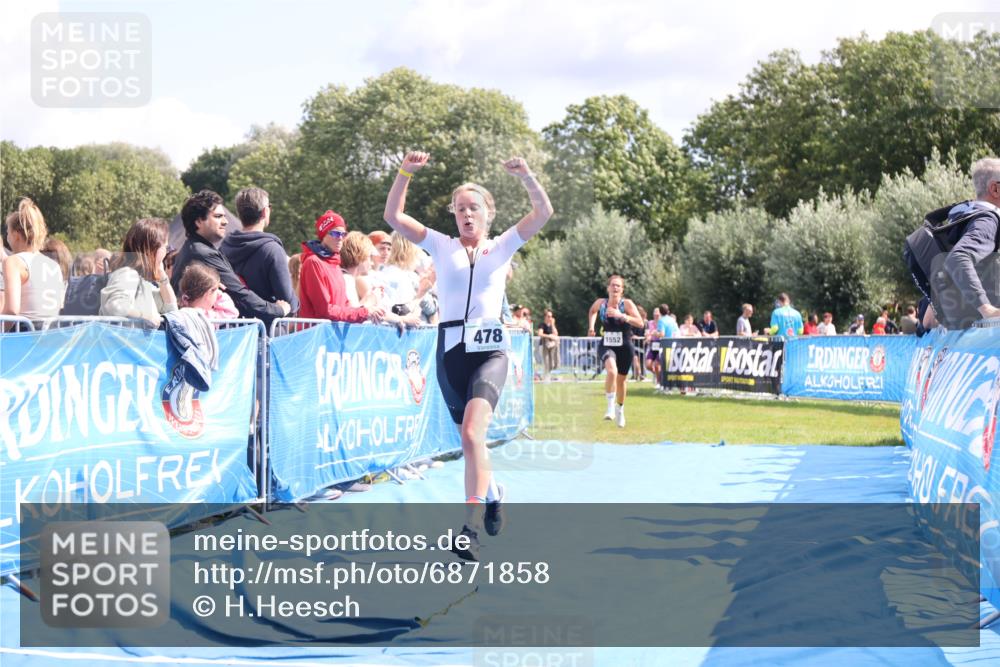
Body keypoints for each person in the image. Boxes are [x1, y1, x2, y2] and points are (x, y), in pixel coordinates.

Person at [383, 150, 552, 561]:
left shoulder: (503, 246)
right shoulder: (440, 245)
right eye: (459, 209)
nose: (466, 215)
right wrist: (406, 172)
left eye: (473, 207)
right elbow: (393, 216)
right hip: (450, 351)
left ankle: (468, 531)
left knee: (475, 434)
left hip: (491, 351)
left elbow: (543, 212)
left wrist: (526, 175)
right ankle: (493, 495)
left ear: (488, 213)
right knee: (468, 441)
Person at [172, 190, 290, 329]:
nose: (225, 221)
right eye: (218, 216)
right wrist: (277, 310)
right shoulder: (201, 253)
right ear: (198, 221)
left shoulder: (196, 248)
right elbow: (240, 294)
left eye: (224, 216)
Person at [221, 187, 299, 314]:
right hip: (269, 329)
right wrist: (296, 303)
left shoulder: (224, 247)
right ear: (265, 212)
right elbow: (287, 300)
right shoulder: (272, 250)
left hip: (233, 328)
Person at [299, 210, 381, 323]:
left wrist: (367, 309)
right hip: (316, 336)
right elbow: (325, 310)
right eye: (335, 234)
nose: (340, 238)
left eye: (343, 234)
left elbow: (344, 305)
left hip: (332, 335)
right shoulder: (313, 262)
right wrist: (364, 312)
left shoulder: (335, 264)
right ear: (323, 235)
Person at [100, 218, 178, 327]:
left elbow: (171, 309)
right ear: (152, 248)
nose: (166, 252)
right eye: (165, 247)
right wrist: (145, 316)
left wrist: (162, 275)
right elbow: (115, 306)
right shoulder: (127, 274)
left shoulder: (141, 281)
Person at [588, 275, 644, 427]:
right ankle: (610, 407)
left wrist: (622, 316)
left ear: (622, 289)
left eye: (618, 286)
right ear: (608, 288)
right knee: (611, 372)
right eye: (613, 285)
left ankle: (620, 410)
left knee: (621, 381)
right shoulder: (601, 303)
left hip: (625, 346)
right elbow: (592, 311)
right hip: (607, 344)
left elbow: (640, 323)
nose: (615, 288)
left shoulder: (627, 304)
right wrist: (592, 327)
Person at [2, 198, 64, 319]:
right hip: (52, 334)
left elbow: (11, 311)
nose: (7, 238)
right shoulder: (53, 265)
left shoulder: (13, 262)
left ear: (16, 235)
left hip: (26, 334)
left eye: (8, 233)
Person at [537, 308, 560, 382]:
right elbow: (540, 334)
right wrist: (549, 336)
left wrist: (553, 324)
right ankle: (546, 379)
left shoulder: (552, 325)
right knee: (546, 363)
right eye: (548, 316)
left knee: (553, 363)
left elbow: (556, 334)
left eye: (551, 316)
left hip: (552, 346)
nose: (550, 318)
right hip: (543, 346)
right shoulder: (542, 325)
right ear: (545, 317)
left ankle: (547, 377)